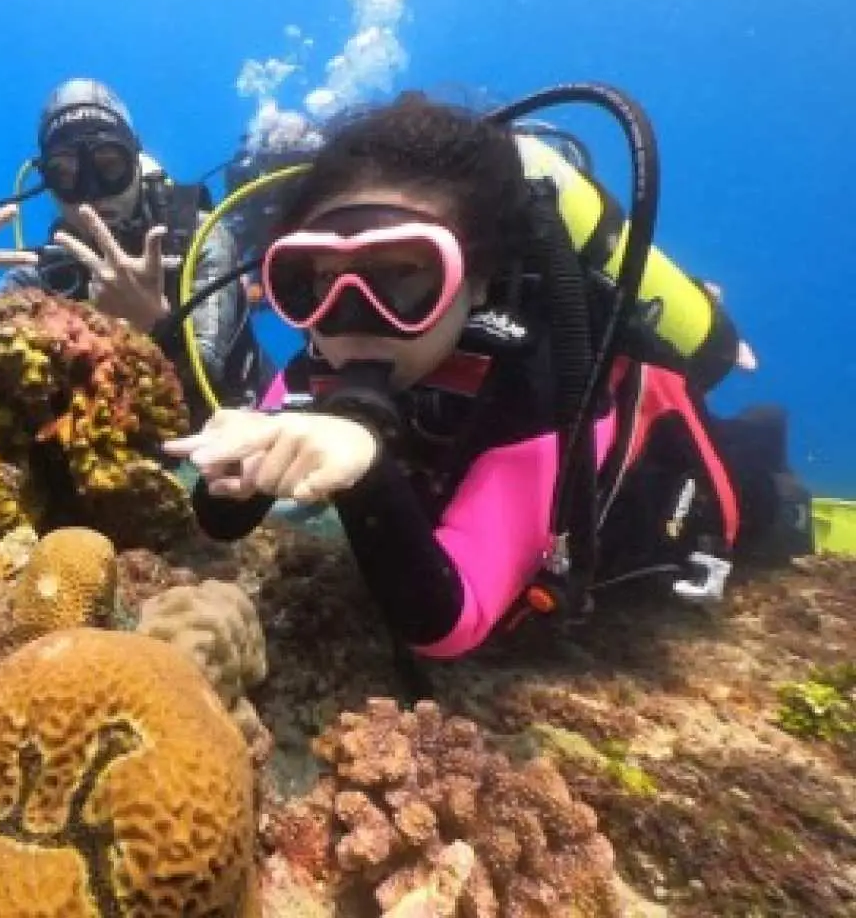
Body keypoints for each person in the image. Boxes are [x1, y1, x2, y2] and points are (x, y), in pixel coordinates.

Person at [164, 92, 806, 670]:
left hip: (663, 485)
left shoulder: (536, 382)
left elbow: (448, 626)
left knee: (763, 508)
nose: (352, 316)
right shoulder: (321, 356)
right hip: (465, 490)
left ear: (478, 281)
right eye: (320, 279)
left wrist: (367, 469)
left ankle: (765, 456)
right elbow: (224, 519)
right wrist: (236, 461)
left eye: (405, 275)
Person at [0, 78, 270, 424]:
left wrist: (150, 327)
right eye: (66, 173)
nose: (92, 190)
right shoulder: (37, 278)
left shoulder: (199, 236)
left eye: (108, 166)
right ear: (48, 182)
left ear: (135, 161)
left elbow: (202, 383)